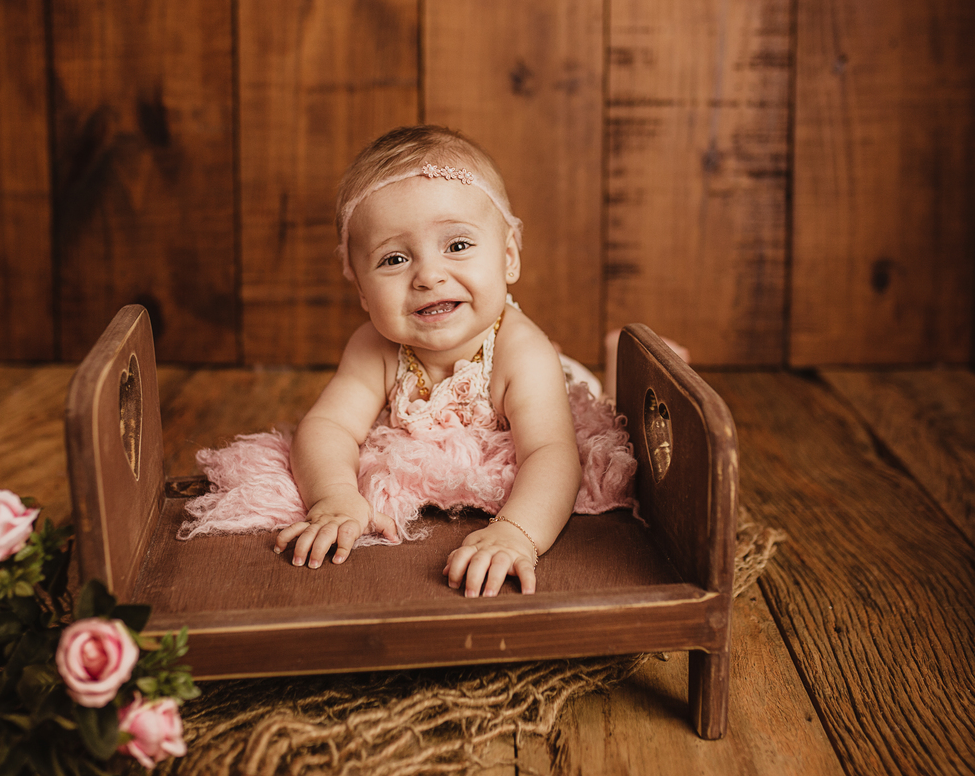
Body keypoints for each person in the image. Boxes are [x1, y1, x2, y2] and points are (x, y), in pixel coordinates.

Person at [179, 126, 636, 597]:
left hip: (554, 384)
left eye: (457, 245)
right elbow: (327, 427)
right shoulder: (372, 347)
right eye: (394, 259)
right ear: (360, 287)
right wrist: (335, 497)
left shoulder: (521, 351)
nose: (429, 276)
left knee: (607, 417)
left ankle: (614, 361)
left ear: (509, 257)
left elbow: (551, 453)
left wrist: (517, 533)